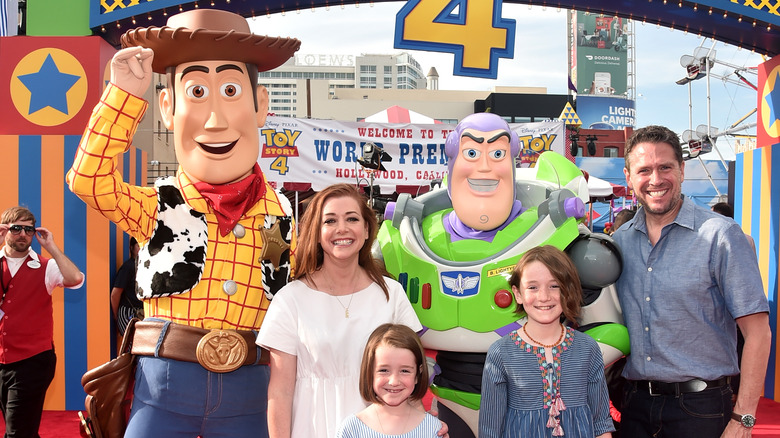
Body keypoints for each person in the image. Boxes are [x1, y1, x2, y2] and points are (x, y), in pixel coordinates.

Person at [67, 9, 300, 437]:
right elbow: (88, 178)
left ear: (261, 104)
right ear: (168, 106)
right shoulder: (158, 204)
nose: (215, 120)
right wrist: (122, 97)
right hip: (164, 389)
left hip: (250, 392)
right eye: (196, 91)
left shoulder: (281, 213)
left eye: (231, 90)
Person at [612, 125, 771, 437]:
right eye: (644, 170)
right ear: (629, 177)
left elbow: (758, 334)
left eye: (665, 167)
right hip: (634, 406)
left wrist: (744, 418)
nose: (655, 180)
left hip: (701, 411)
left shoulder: (721, 236)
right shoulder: (619, 243)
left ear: (682, 170)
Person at [257, 183, 436, 438]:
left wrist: (427, 427)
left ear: (366, 230)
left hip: (381, 430)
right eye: (330, 221)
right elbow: (280, 391)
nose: (342, 228)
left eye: (351, 218)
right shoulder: (290, 299)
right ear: (318, 233)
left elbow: (410, 374)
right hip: (312, 427)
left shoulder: (392, 294)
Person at [479, 245, 614, 438]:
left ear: (567, 290)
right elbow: (490, 429)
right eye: (532, 287)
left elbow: (601, 423)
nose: (544, 297)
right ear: (517, 293)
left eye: (554, 286)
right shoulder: (501, 352)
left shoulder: (587, 348)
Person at [0, 206, 84, 437]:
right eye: (16, 228)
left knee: (17, 431)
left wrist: (51, 247)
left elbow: (75, 278)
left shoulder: (45, 266)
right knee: (21, 428)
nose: (23, 234)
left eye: (29, 229)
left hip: (33, 361)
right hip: (1, 360)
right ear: (5, 230)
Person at [335, 323, 440, 437]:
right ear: (370, 372)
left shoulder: (433, 429)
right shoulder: (351, 429)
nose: (394, 381)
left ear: (417, 375)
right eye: (384, 370)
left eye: (404, 371)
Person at [110, 236, 143, 338]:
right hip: (128, 313)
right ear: (131, 248)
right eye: (139, 246)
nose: (142, 249)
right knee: (133, 346)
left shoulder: (145, 267)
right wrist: (116, 316)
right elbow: (115, 293)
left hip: (142, 313)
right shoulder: (128, 267)